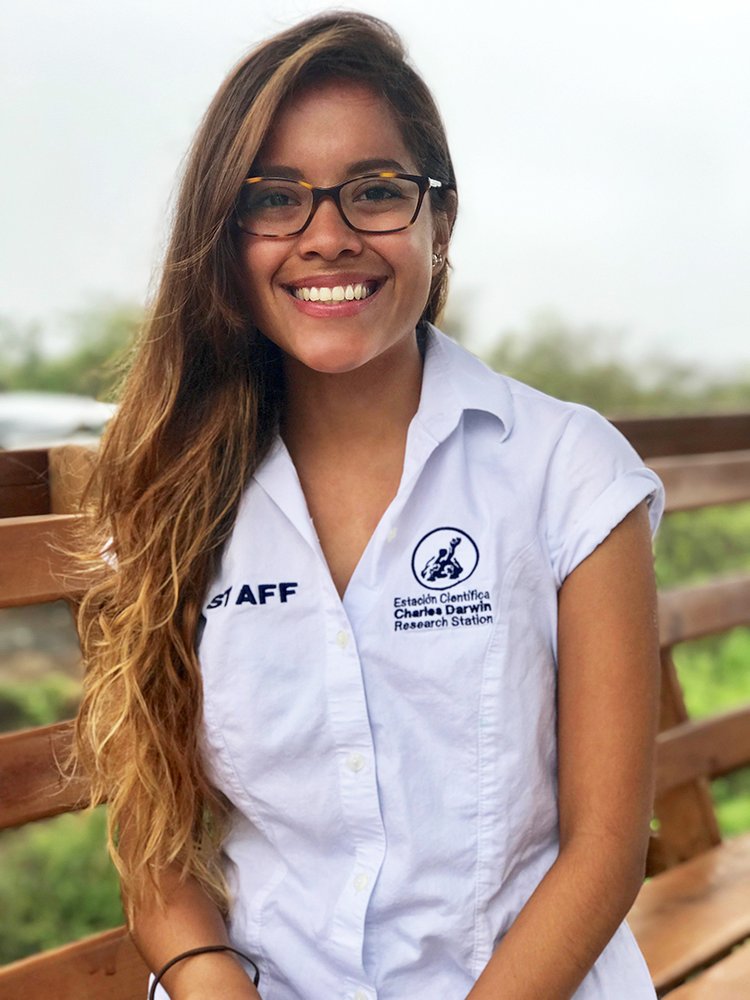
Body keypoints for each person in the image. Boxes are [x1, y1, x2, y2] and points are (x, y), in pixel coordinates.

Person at [73, 11, 664, 999]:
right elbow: (156, 842)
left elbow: (604, 848)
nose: (328, 237)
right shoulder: (167, 488)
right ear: (227, 235)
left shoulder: (567, 470)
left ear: (442, 217)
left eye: (376, 192)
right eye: (276, 201)